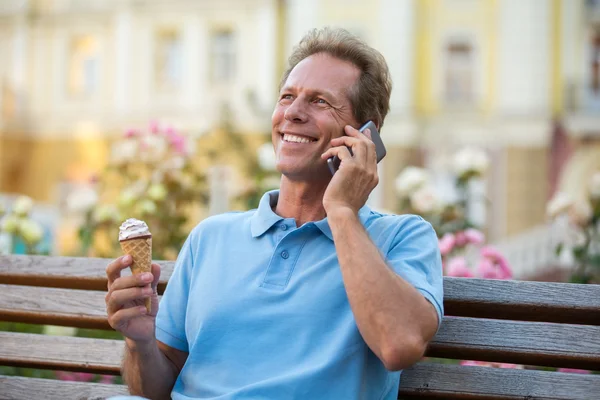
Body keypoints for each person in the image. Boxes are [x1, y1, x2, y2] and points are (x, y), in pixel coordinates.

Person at [105, 27, 443, 400]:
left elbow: (399, 345)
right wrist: (140, 343)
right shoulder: (210, 236)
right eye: (287, 97)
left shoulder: (403, 237)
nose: (293, 113)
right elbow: (156, 388)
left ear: (365, 135)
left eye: (319, 102)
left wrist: (342, 211)